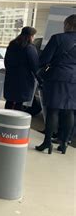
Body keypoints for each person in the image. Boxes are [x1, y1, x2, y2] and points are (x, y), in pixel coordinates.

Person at [35, 14, 76, 155]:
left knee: (53, 109)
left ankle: (47, 142)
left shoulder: (58, 38)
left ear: (68, 25)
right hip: (74, 79)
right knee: (69, 110)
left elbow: (44, 59)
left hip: (58, 77)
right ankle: (64, 143)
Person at [3, 26, 39, 111]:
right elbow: (35, 65)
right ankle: (15, 123)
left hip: (11, 77)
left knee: (9, 101)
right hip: (24, 80)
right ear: (30, 36)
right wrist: (40, 79)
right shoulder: (30, 48)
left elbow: (6, 62)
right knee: (19, 103)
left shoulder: (12, 45)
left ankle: (5, 120)